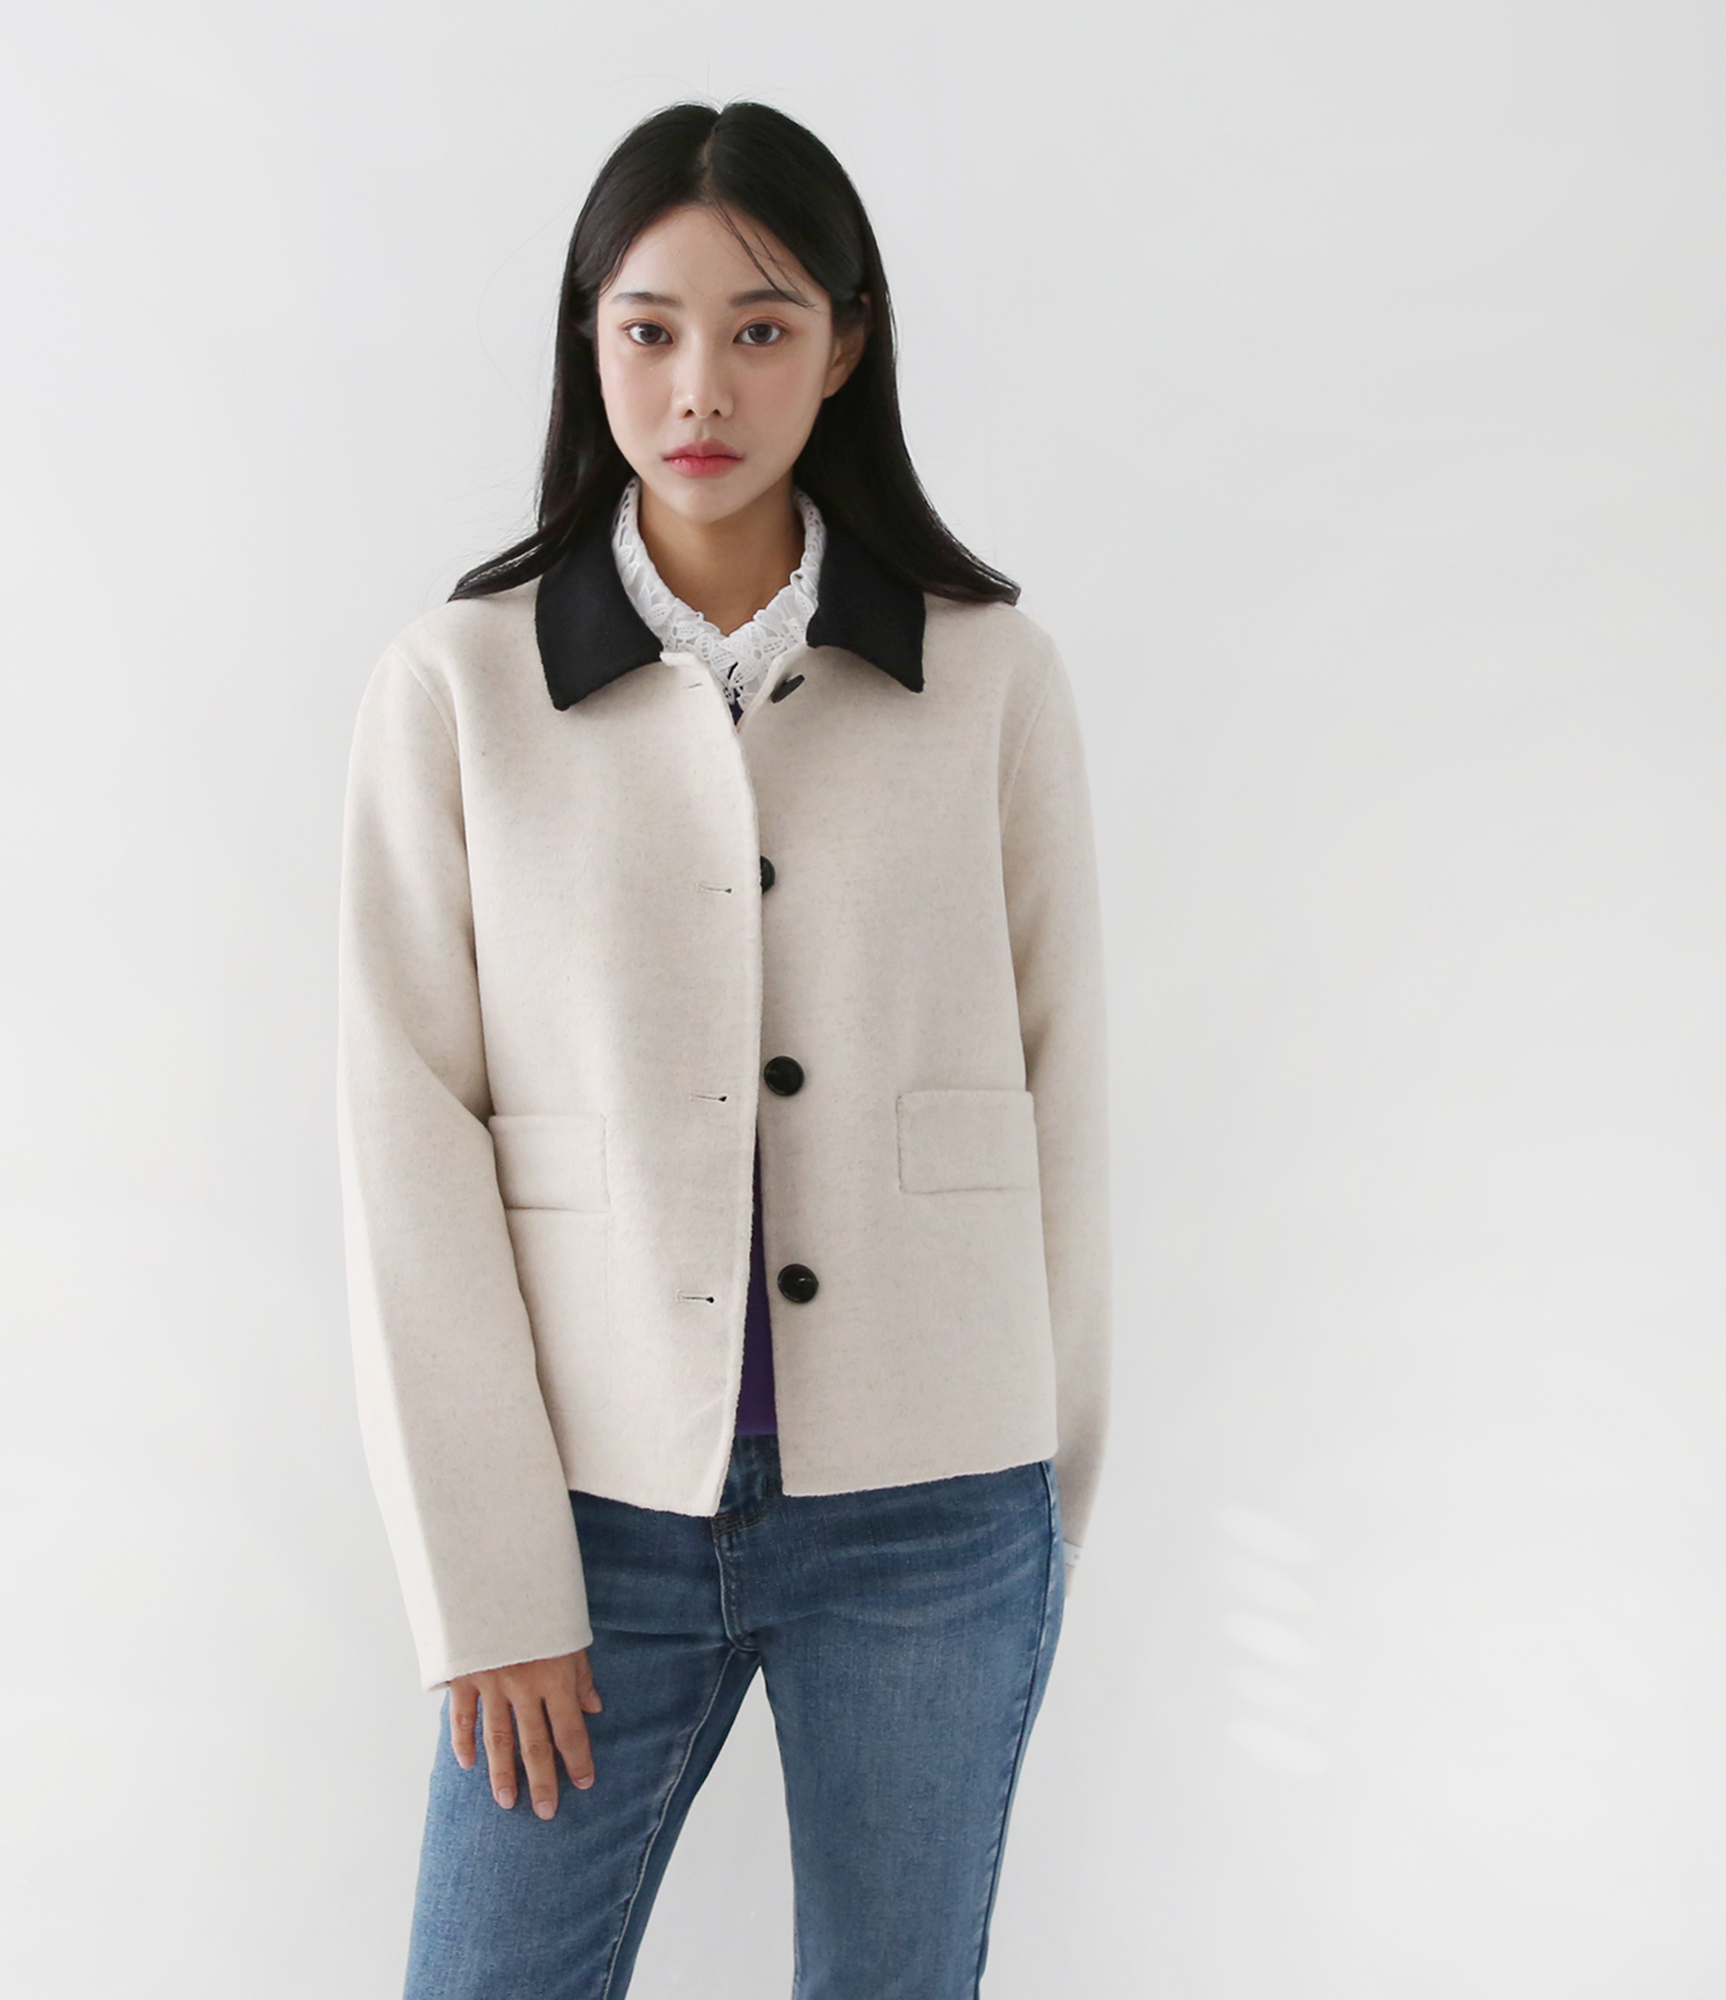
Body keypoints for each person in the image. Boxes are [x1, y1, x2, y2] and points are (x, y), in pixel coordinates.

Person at [336, 98, 1111, 1999]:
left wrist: (1041, 1509)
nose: (701, 384)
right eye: (651, 326)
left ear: (843, 347)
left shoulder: (987, 675)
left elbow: (1064, 1089)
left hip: (937, 1509)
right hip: (586, 1517)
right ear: (589, 341)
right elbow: (404, 1142)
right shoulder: (460, 685)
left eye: (762, 327)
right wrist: (485, 1579)